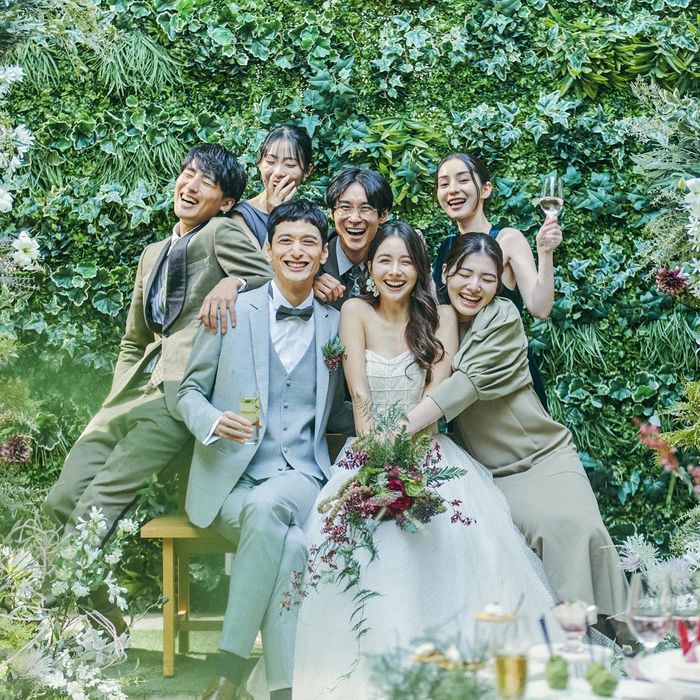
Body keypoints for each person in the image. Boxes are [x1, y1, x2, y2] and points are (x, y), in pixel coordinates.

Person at [292, 222, 558, 698]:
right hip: (368, 450)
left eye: (406, 261)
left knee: (456, 541)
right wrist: (377, 463)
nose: (395, 271)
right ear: (370, 267)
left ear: (420, 268)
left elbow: (436, 396)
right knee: (347, 546)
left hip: (430, 452)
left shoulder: (441, 317)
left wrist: (404, 459)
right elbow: (359, 395)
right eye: (385, 261)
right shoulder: (354, 311)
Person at [44, 143, 273, 631]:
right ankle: (104, 609)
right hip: (131, 392)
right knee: (62, 499)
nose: (191, 185)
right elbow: (134, 338)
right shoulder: (151, 254)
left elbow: (269, 278)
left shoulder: (221, 232)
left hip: (178, 397)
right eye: (188, 174)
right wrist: (115, 394)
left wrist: (232, 283)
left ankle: (50, 612)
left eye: (206, 181)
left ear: (226, 202)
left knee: (99, 502)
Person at [407, 232, 629, 641]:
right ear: (445, 273)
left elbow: (463, 385)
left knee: (575, 527)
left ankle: (615, 637)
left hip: (539, 458)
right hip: (485, 471)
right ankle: (564, 642)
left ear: (498, 284)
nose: (474, 287)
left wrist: (398, 431)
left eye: (487, 279)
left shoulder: (503, 317)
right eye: (464, 274)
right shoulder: (429, 320)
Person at [177, 199, 354, 700]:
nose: (297, 251)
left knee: (268, 506)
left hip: (300, 476)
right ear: (268, 250)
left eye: (309, 242)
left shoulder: (337, 325)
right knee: (290, 546)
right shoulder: (230, 308)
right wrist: (213, 421)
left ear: (323, 254)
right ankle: (283, 690)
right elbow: (187, 392)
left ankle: (227, 672)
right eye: (286, 241)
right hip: (228, 483)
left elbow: (348, 406)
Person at [431, 152, 561, 407]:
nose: (452, 190)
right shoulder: (446, 248)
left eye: (463, 180)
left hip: (508, 381)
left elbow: (540, 308)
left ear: (485, 189)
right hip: (462, 385)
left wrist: (545, 253)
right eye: (444, 183)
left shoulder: (507, 240)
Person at [199, 125, 313, 333]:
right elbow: (260, 275)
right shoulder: (240, 216)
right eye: (270, 161)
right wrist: (276, 216)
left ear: (307, 171)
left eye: (290, 164)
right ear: (259, 164)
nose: (278, 172)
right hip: (255, 323)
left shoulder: (309, 218)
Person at [313, 167, 393, 309]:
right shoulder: (312, 257)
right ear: (331, 213)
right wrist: (306, 286)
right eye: (345, 207)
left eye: (365, 208)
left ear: (383, 215)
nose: (354, 218)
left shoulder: (396, 261)